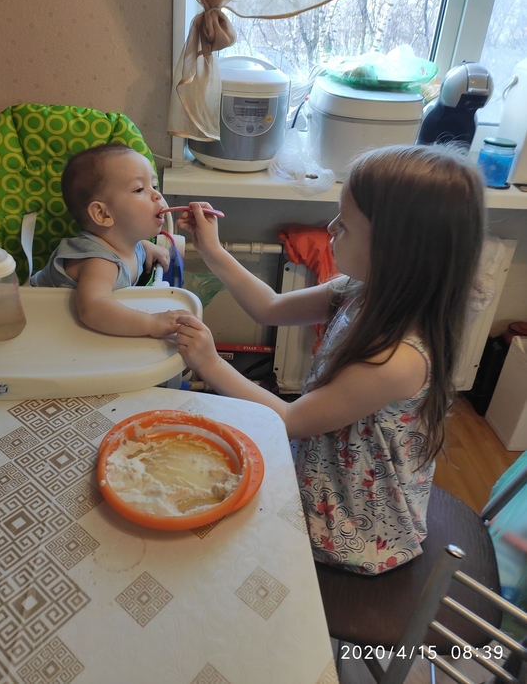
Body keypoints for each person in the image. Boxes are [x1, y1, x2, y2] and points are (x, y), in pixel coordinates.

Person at [175, 144, 485, 574]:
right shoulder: (362, 289)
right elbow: (269, 306)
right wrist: (212, 249)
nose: (331, 227)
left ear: (396, 250)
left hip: (353, 523)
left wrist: (210, 364)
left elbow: (291, 419)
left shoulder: (398, 360)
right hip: (321, 462)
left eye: (346, 224)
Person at [30, 144, 192, 337]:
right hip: (39, 324)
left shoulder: (125, 242)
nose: (157, 195)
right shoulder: (99, 263)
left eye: (154, 186)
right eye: (139, 189)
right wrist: (152, 323)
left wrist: (146, 247)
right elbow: (93, 309)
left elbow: (129, 246)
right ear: (103, 214)